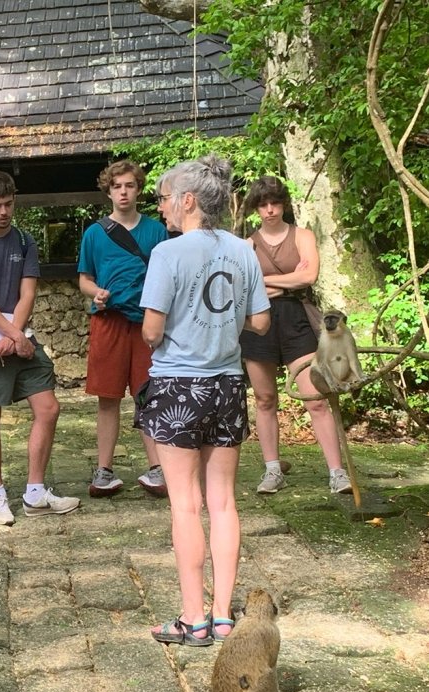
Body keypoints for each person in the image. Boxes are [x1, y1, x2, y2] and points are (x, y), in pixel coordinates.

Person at [136, 155, 271, 646]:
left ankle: (193, 619)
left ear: (188, 200)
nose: (162, 206)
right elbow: (260, 323)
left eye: (165, 196)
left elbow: (152, 330)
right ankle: (222, 615)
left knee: (185, 506)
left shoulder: (168, 254)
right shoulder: (243, 250)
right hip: (228, 385)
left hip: (177, 387)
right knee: (224, 503)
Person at [0, 170, 80, 525]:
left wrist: (16, 337)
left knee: (48, 407)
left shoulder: (24, 241)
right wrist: (15, 336)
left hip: (18, 335)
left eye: (8, 204)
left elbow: (28, 293)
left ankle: (35, 492)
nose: (3, 211)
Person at [239, 176, 352, 496]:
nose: (270, 210)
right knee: (264, 399)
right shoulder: (247, 244)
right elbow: (246, 287)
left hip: (296, 319)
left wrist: (269, 282)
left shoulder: (302, 235)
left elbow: (309, 275)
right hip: (257, 321)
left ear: (284, 204)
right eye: (263, 205)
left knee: (315, 398)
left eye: (275, 203)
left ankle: (337, 472)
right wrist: (288, 279)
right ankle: (273, 469)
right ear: (256, 208)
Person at [77, 160, 168, 498]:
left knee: (149, 396)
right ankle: (104, 470)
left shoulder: (157, 231)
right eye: (117, 186)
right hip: (109, 321)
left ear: (138, 189)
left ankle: (158, 467)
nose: (123, 192)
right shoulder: (94, 233)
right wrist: (95, 293)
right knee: (108, 397)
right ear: (108, 191)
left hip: (146, 323)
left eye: (129, 185)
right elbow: (84, 279)